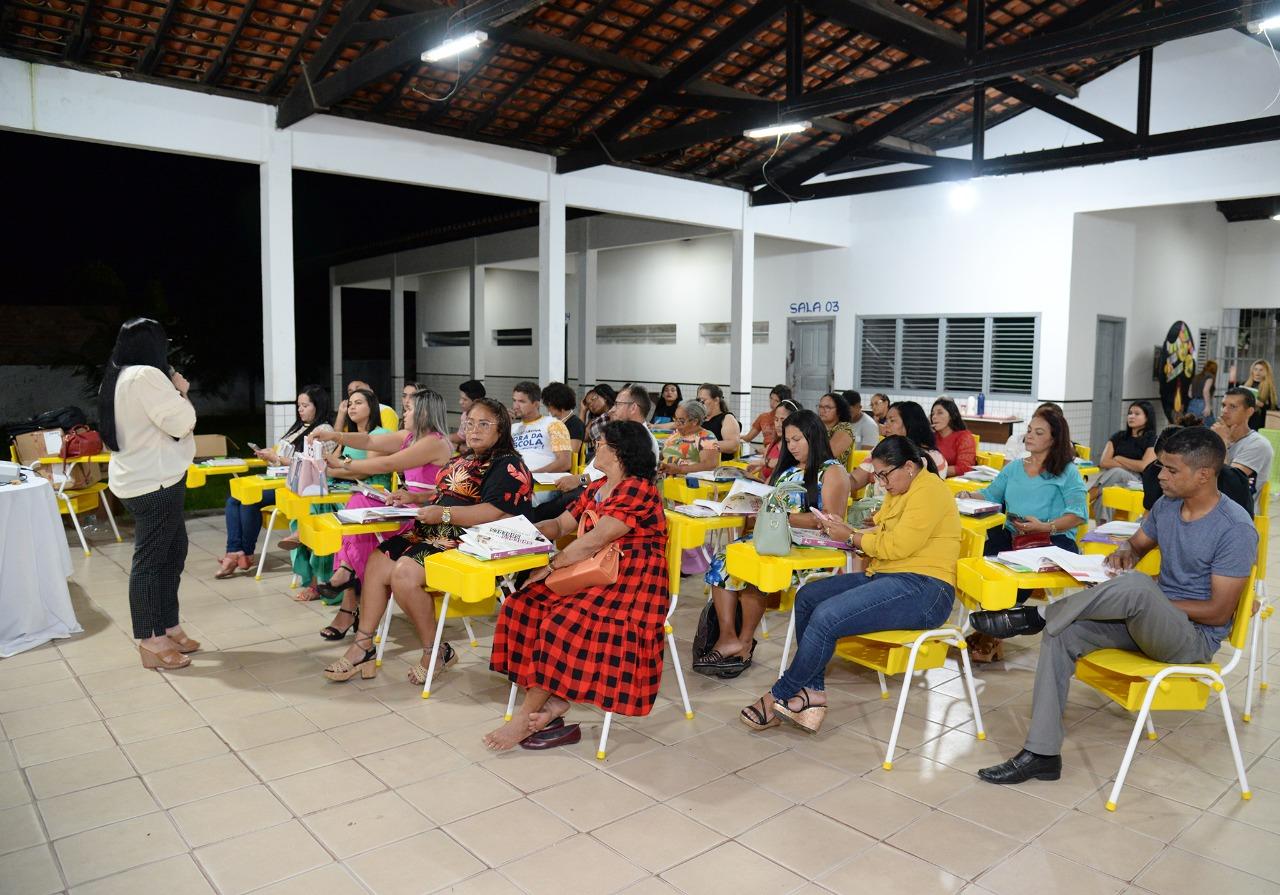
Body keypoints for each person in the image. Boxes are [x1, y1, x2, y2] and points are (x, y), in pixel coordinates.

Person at [972, 427, 1257, 785]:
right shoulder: (1167, 507)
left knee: (1138, 588)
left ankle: (1036, 615)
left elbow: (1218, 612)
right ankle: (1042, 754)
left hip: (1191, 640)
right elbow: (1136, 547)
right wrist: (1124, 554)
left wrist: (1151, 598)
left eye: (1171, 469)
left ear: (1203, 475)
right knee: (1063, 632)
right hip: (1145, 624)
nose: (1159, 475)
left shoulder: (1235, 529)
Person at [739, 437, 960, 733]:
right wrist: (853, 533)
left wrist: (851, 536)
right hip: (892, 576)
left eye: (884, 475)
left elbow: (896, 545)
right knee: (808, 596)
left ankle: (778, 694)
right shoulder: (903, 489)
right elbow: (886, 540)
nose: (881, 483)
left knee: (827, 616)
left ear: (909, 467)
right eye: (877, 475)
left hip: (926, 590)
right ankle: (813, 693)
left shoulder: (930, 490)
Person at [483, 420, 669, 750]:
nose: (596, 446)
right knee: (522, 604)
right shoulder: (598, 486)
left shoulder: (638, 488)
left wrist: (551, 565)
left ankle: (525, 718)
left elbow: (597, 539)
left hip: (632, 582)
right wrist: (515, 533)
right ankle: (551, 700)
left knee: (560, 623)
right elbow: (559, 524)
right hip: (594, 572)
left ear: (620, 453)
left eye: (603, 443)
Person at [323, 398, 533, 683]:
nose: (474, 430)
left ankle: (434, 652)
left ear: (501, 429)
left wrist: (443, 514)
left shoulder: (508, 465)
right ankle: (363, 646)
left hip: (468, 539)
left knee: (404, 574)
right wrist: (415, 497)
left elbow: (493, 511)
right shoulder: (464, 458)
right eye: (470, 423)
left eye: (484, 424)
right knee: (378, 560)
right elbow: (446, 494)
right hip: (432, 530)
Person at [697, 410, 851, 677]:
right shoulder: (788, 470)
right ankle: (728, 637)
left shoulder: (832, 471)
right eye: (788, 441)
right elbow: (768, 502)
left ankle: (744, 642)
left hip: (811, 548)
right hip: (777, 540)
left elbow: (829, 522)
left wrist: (780, 516)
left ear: (813, 437)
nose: (791, 447)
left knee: (756, 566)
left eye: (797, 439)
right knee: (726, 558)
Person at [307, 389, 451, 632]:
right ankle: (348, 576)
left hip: (427, 517)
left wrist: (344, 463)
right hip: (406, 507)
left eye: (408, 409)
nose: (403, 414)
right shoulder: (410, 437)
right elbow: (369, 441)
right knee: (357, 503)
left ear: (424, 412)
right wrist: (334, 436)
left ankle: (350, 596)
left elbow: (389, 463)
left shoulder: (435, 442)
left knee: (364, 533)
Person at [100, 318, 199, 671]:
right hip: (154, 483)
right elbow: (181, 422)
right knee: (152, 564)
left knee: (172, 552)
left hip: (145, 478)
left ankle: (168, 627)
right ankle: (151, 640)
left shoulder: (119, 374)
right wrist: (181, 391)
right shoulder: (146, 375)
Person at [959, 406, 1086, 661]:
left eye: (1038, 432)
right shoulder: (1015, 467)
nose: (1029, 436)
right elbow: (990, 495)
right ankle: (990, 626)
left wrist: (1045, 526)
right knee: (986, 557)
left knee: (1014, 566)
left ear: (1054, 438)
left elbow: (1078, 514)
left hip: (1051, 539)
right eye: (1029, 430)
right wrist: (965, 496)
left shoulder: (1066, 472)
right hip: (1014, 535)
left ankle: (991, 635)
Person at [217, 385, 331, 578]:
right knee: (233, 499)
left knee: (249, 500)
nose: (300, 409)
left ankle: (243, 552)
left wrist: (277, 458)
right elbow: (286, 454)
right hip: (280, 478)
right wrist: (271, 456)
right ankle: (236, 551)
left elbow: (313, 465)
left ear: (318, 406)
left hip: (298, 487)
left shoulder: (323, 430)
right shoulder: (299, 427)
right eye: (298, 405)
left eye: (305, 405)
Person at [291, 388, 393, 600]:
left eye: (358, 403)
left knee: (321, 512)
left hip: (371, 491)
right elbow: (332, 462)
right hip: (346, 487)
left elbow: (366, 471)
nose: (352, 407)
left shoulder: (379, 435)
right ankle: (314, 577)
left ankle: (317, 561)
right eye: (350, 404)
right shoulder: (348, 436)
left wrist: (330, 470)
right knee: (309, 506)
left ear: (371, 407)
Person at [1141, 425, 1253, 515]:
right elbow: (1149, 521)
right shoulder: (1153, 472)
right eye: (1161, 464)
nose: (1162, 475)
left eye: (1172, 469)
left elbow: (1244, 526)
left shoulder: (1232, 480)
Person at [1091, 400, 1158, 519]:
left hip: (1137, 482)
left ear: (1147, 418)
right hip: (1115, 479)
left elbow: (1144, 466)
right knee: (1106, 492)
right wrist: (1129, 464)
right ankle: (1103, 526)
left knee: (1116, 472)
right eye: (1130, 413)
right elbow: (1104, 462)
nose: (1131, 416)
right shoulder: (1119, 436)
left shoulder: (1152, 439)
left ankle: (1088, 496)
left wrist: (1119, 458)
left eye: (1137, 414)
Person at [1212, 387, 1274, 509]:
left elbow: (1229, 484)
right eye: (1223, 405)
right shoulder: (1220, 437)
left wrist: (1222, 442)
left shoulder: (1258, 444)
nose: (1224, 410)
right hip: (1215, 505)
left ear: (1249, 412)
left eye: (1232, 407)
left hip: (1240, 513)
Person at [510, 381, 572, 475]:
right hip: (513, 481)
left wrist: (531, 476)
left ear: (536, 404)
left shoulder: (553, 424)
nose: (516, 406)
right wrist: (503, 425)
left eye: (522, 401)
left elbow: (564, 463)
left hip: (542, 483)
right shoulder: (512, 428)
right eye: (514, 400)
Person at [658, 400, 719, 475]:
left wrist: (680, 469)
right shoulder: (676, 433)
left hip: (686, 483)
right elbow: (663, 454)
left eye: (681, 421)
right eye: (675, 419)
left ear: (694, 421)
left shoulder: (706, 437)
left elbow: (710, 465)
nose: (676, 424)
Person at [745, 399, 799, 481]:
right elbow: (763, 477)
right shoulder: (772, 445)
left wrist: (764, 462)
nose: (778, 424)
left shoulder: (797, 447)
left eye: (783, 420)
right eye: (776, 420)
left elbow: (787, 463)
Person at [931, 397, 976, 476]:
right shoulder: (931, 437)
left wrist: (935, 471)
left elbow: (965, 468)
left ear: (951, 416)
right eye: (932, 414)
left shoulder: (964, 437)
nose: (934, 417)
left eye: (940, 413)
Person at [698, 383, 741, 462]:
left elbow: (732, 445)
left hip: (718, 466)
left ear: (716, 400)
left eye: (703, 401)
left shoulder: (727, 418)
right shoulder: (698, 419)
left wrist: (700, 444)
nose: (700, 404)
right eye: (699, 401)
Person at [1232, 359, 1278, 430]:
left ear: (1266, 372)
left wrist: (1261, 404)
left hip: (1259, 422)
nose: (1257, 372)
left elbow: (1273, 408)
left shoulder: (1269, 388)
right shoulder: (1245, 384)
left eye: (1261, 370)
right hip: (1244, 420)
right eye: (1255, 369)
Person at [542, 381, 584, 455]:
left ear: (558, 403)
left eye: (549, 405)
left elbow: (572, 453)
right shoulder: (552, 422)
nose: (548, 409)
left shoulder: (575, 424)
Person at [744, 385, 790, 452]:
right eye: (771, 398)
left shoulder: (789, 419)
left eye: (777, 401)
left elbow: (787, 445)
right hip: (765, 455)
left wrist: (767, 450)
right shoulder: (763, 417)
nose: (772, 403)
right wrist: (732, 438)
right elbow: (747, 438)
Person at [817, 392, 856, 466]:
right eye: (820, 406)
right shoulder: (816, 427)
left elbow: (829, 454)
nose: (822, 410)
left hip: (832, 473)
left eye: (827, 407)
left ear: (839, 410)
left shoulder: (845, 428)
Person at [582, 385, 617, 458]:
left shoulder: (616, 411)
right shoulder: (593, 420)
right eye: (588, 404)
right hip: (600, 456)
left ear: (605, 397)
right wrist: (583, 410)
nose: (591, 405)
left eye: (593, 399)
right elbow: (581, 436)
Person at [450, 379, 486, 448]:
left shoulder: (485, 418)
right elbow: (461, 436)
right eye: (460, 398)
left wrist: (459, 447)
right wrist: (444, 438)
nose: (460, 402)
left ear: (476, 401)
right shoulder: (464, 415)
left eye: (464, 399)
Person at [1188, 361, 1217, 426]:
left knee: (1193, 427)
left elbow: (1189, 394)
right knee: (1211, 428)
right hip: (1202, 404)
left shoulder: (1196, 376)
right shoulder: (1210, 377)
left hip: (1192, 403)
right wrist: (1207, 406)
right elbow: (1205, 391)